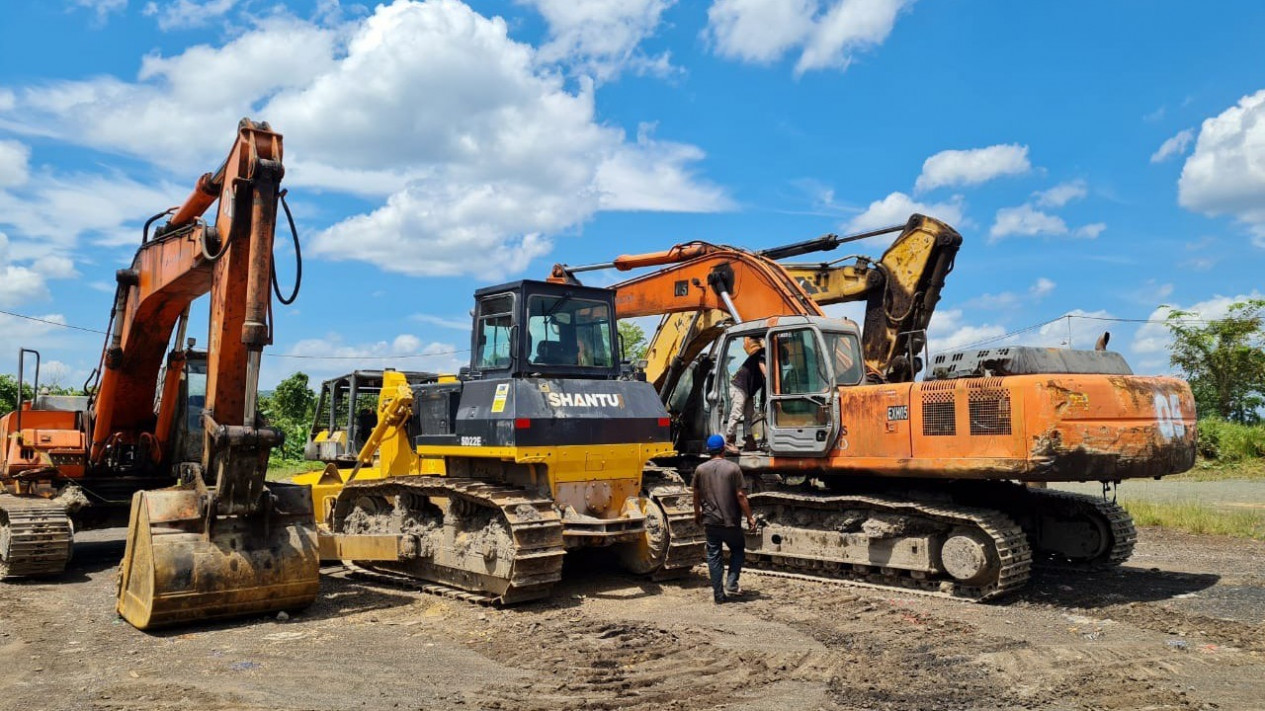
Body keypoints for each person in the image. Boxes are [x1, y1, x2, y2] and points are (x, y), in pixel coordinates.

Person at [693, 434, 757, 603]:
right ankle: (732, 583)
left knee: (714, 556)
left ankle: (718, 595)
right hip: (730, 521)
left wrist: (697, 514)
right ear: (723, 450)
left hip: (710, 522)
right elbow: (741, 495)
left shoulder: (700, 469)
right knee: (737, 549)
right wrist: (750, 517)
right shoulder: (733, 468)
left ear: (709, 451)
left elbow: (696, 496)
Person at [725, 337, 766, 450]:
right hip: (739, 386)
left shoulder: (764, 353)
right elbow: (762, 364)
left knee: (749, 415)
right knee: (736, 413)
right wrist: (769, 377)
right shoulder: (764, 352)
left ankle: (749, 440)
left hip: (748, 390)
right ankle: (729, 441)